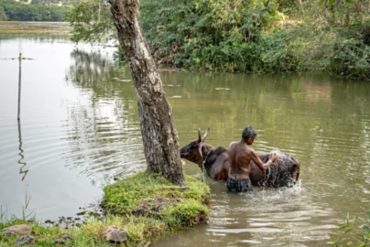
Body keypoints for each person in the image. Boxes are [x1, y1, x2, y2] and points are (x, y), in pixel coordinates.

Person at [227, 126, 277, 192]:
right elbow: (263, 167)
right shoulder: (249, 151)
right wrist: (271, 159)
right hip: (243, 182)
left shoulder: (231, 145)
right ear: (250, 139)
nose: (253, 141)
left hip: (230, 181)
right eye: (253, 139)